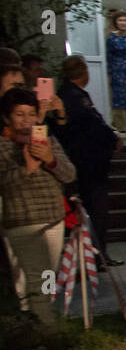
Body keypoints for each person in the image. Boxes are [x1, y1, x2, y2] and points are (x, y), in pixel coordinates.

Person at [0, 88, 77, 323]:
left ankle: (37, 320)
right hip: (23, 222)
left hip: (53, 218)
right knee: (36, 277)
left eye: (31, 114)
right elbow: (4, 182)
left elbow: (70, 174)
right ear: (7, 118)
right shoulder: (2, 145)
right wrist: (26, 169)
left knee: (47, 277)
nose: (26, 120)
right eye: (19, 114)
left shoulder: (45, 139)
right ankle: (47, 329)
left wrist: (50, 160)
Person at [53, 56, 121, 267]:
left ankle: (94, 256)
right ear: (83, 72)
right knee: (96, 211)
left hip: (83, 163)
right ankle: (96, 257)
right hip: (88, 164)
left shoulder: (67, 95)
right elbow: (94, 125)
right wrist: (113, 139)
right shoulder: (74, 97)